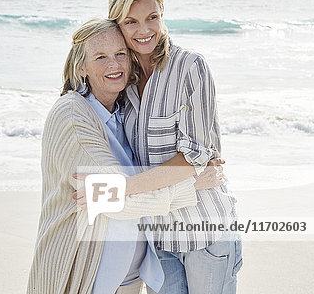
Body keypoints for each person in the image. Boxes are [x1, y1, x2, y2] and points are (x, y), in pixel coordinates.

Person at [26, 18, 223, 294]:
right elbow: (109, 197)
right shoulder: (72, 115)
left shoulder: (124, 113)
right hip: (85, 276)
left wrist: (191, 161)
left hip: (128, 280)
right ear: (81, 66)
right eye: (100, 57)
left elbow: (141, 177)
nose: (114, 65)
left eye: (120, 54)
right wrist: (193, 183)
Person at [108, 0, 243, 294]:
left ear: (162, 15)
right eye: (131, 21)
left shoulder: (190, 67)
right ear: (118, 26)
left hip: (205, 234)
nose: (144, 30)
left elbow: (193, 157)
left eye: (152, 17)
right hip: (159, 241)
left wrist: (125, 189)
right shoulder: (121, 81)